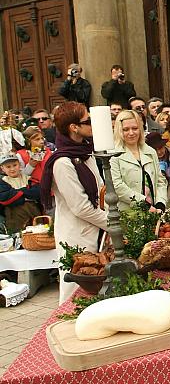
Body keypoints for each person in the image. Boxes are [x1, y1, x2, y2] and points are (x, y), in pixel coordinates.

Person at [39, 102, 108, 303]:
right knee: (75, 295)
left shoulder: (85, 153)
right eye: (88, 121)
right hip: (76, 235)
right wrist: (113, 224)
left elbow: (100, 190)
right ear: (74, 127)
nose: (92, 124)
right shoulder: (62, 163)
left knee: (97, 291)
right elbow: (81, 207)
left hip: (96, 230)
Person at [110, 110, 168, 213]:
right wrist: (143, 203)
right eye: (126, 129)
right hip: (127, 213)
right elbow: (117, 186)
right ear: (119, 131)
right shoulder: (113, 154)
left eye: (135, 128)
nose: (131, 133)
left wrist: (160, 203)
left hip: (154, 211)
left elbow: (160, 180)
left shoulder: (150, 151)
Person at [0, 154, 41, 233]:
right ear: (2, 168)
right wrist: (26, 193)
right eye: (8, 167)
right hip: (13, 216)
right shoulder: (3, 182)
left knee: (38, 235)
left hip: (33, 213)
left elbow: (37, 192)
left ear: (19, 165)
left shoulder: (29, 179)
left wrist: (16, 193)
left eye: (15, 165)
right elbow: (4, 198)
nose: (12, 169)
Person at [146, 132, 170, 203]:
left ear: (164, 145)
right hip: (157, 194)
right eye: (155, 149)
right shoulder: (147, 159)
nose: (159, 152)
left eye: (160, 148)